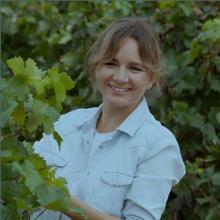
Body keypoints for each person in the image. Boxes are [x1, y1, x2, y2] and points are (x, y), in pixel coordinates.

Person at [32, 17, 186, 220]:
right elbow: (23, 183)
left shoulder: (158, 146)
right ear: (97, 67)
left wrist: (65, 202)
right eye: (111, 63)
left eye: (135, 68)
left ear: (151, 78)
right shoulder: (66, 124)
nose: (121, 77)